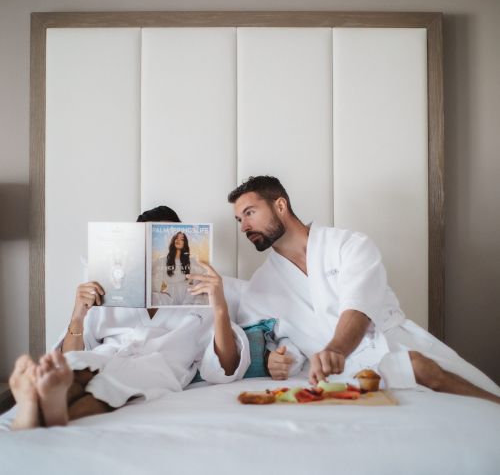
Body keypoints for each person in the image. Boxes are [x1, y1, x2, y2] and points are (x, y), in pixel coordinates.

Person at [228, 176, 500, 403]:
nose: (244, 227)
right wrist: (272, 360)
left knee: (432, 373)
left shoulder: (349, 245)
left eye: (249, 213)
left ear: (280, 205)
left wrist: (336, 349)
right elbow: (270, 341)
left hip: (394, 347)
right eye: (239, 220)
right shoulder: (260, 285)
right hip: (333, 378)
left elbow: (359, 306)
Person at [8, 206, 250, 430]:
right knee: (76, 367)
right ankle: (41, 403)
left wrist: (219, 307)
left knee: (110, 388)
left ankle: (43, 417)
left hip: (158, 367)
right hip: (107, 353)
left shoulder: (201, 296)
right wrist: (78, 315)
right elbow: (72, 352)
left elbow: (225, 368)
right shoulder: (109, 287)